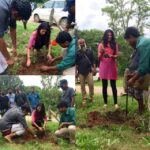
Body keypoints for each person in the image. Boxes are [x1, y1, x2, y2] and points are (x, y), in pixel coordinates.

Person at [124, 27, 150, 113]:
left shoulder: (142, 45)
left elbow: (144, 67)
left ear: (131, 36)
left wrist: (133, 79)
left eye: (128, 40)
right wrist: (134, 74)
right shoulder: (142, 42)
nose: (128, 43)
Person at [0, 0, 31, 65]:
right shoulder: (2, 10)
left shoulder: (13, 10)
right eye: (20, 19)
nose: (19, 20)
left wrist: (14, 47)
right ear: (15, 13)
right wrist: (8, 58)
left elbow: (13, 29)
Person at [98, 29, 119, 109]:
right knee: (104, 86)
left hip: (112, 65)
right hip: (103, 66)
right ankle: (105, 103)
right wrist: (102, 53)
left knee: (113, 86)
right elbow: (99, 58)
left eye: (111, 35)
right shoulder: (101, 45)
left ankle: (116, 103)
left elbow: (117, 55)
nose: (109, 36)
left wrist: (112, 56)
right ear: (105, 36)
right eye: (108, 35)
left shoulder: (115, 44)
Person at [76, 39, 96, 106]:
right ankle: (84, 98)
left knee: (91, 84)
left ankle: (92, 97)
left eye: (83, 42)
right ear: (78, 44)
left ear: (85, 43)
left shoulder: (90, 51)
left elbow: (93, 60)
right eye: (80, 43)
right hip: (81, 72)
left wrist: (94, 69)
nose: (81, 44)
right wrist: (76, 72)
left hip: (89, 71)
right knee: (82, 86)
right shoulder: (77, 52)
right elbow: (76, 63)